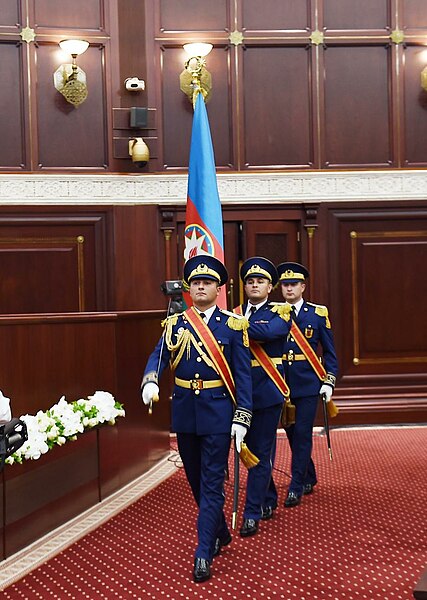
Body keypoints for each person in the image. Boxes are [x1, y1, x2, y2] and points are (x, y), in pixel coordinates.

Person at [141, 255, 252, 584]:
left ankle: (203, 550)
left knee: (212, 481)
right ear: (189, 289)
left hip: (219, 413)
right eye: (196, 283)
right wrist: (150, 379)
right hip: (186, 412)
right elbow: (158, 356)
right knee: (195, 481)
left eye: (208, 282)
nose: (201, 286)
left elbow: (243, 377)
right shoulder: (176, 323)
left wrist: (242, 417)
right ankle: (219, 530)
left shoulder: (233, 326)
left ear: (219, 289)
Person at [233, 257, 288, 537]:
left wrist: (233, 324)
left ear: (270, 287)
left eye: (260, 281)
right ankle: (268, 497)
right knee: (247, 451)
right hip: (236, 395)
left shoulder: (281, 311)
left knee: (260, 451)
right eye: (250, 281)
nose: (254, 284)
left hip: (267, 392)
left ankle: (251, 512)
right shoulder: (233, 313)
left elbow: (268, 332)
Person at [277, 262, 339, 507]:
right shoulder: (274, 313)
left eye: (294, 284)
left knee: (302, 433)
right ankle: (309, 475)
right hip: (282, 384)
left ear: (303, 286)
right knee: (292, 434)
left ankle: (296, 485)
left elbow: (330, 353)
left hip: (308, 384)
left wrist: (329, 381)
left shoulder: (317, 314)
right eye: (285, 285)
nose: (289, 289)